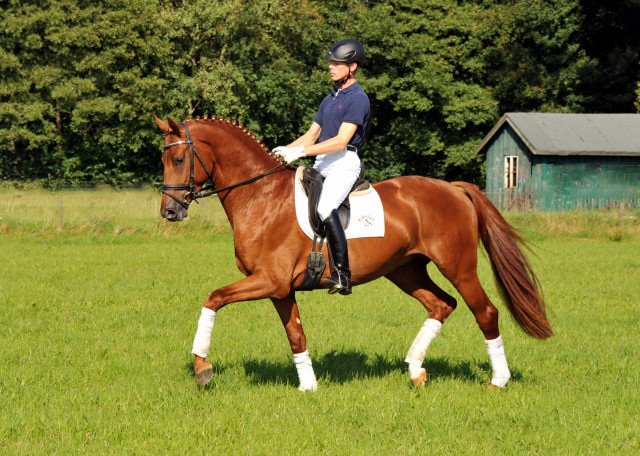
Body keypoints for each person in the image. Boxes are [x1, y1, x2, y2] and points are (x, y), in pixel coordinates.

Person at [274, 38, 370, 295]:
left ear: (352, 67)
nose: (330, 67)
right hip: (322, 162)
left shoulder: (358, 99)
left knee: (326, 206)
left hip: (343, 163)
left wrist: (300, 152)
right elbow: (311, 136)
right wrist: (283, 151)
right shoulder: (330, 98)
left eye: (336, 63)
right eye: (331, 62)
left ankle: (342, 274)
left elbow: (340, 141)